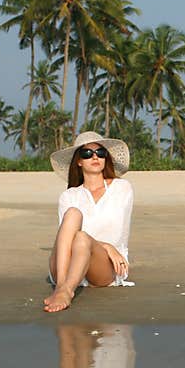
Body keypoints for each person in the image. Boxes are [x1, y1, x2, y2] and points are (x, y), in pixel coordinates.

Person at [44, 131, 134, 313]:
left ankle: (66, 292)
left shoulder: (121, 188)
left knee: (82, 239)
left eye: (100, 153)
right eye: (87, 153)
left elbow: (116, 233)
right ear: (79, 161)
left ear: (105, 158)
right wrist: (107, 245)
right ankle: (62, 285)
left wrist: (105, 248)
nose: (95, 157)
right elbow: (65, 240)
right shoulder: (69, 195)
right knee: (73, 214)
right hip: (66, 266)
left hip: (104, 266)